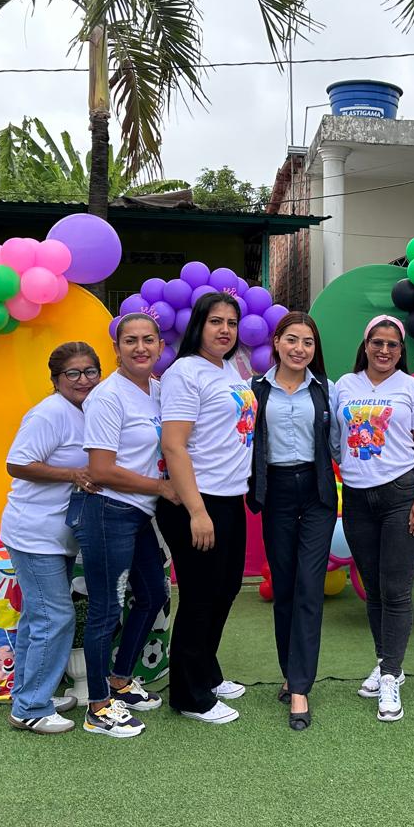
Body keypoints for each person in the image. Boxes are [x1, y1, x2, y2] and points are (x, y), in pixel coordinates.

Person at [71, 313, 177, 739]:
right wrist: (161, 486)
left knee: (153, 595)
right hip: (108, 510)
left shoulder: (157, 389)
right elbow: (100, 470)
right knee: (106, 609)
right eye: (130, 340)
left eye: (148, 339)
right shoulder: (107, 396)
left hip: (139, 513)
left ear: (160, 346)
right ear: (116, 349)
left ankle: (119, 679)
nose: (140, 348)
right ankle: (97, 707)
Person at [331, 315, 414, 723]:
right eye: (377, 342)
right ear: (366, 344)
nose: (385, 350)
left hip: (401, 496)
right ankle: (385, 660)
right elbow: (335, 440)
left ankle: (391, 674)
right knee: (373, 588)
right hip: (358, 499)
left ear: (401, 349)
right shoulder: (345, 385)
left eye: (393, 344)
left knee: (396, 589)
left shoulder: (412, 389)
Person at [158, 292, 256, 725]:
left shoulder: (229, 368)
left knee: (225, 589)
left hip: (230, 497)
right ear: (198, 324)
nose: (225, 330)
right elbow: (174, 445)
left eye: (231, 323)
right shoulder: (184, 373)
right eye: (216, 321)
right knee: (200, 596)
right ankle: (189, 695)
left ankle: (206, 672)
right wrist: (197, 511)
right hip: (198, 501)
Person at [0, 341, 102, 735]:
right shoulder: (49, 413)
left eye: (90, 371)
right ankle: (31, 707)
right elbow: (17, 463)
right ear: (56, 379)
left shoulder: (88, 410)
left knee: (36, 617)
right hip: (34, 533)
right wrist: (72, 475)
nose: (83, 380)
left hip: (58, 534)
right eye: (72, 373)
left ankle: (29, 694)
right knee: (54, 616)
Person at [247, 312, 337, 731]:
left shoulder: (326, 390)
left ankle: (300, 687)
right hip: (277, 491)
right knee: (284, 588)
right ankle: (290, 671)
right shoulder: (255, 389)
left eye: (308, 342)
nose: (300, 349)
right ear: (277, 342)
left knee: (308, 588)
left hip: (317, 493)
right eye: (292, 340)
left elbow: (338, 441)